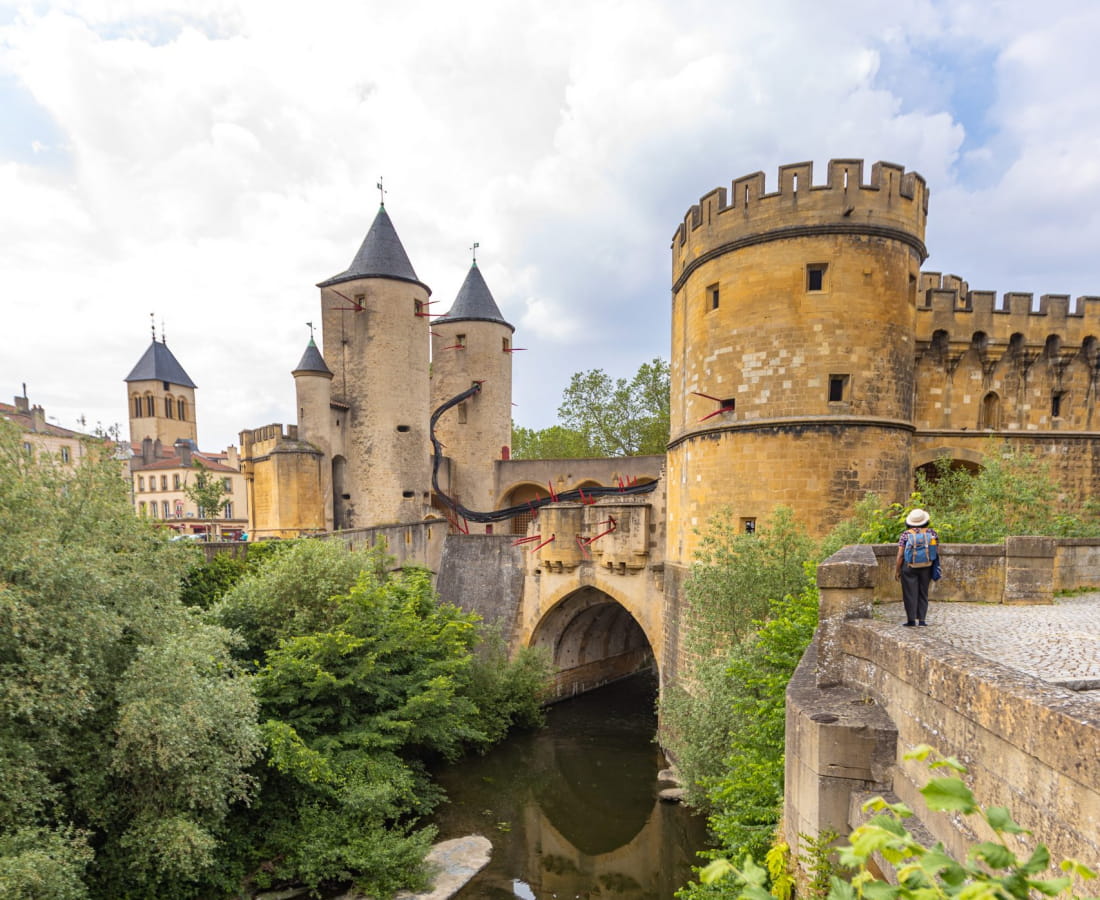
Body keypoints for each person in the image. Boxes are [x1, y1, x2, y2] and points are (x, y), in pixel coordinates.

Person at [894, 508, 939, 626]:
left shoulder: (906, 535)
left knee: (909, 593)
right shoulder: (932, 533)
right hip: (927, 566)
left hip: (909, 567)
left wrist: (897, 570)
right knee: (923, 592)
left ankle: (911, 620)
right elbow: (935, 550)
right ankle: (922, 620)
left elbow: (900, 555)